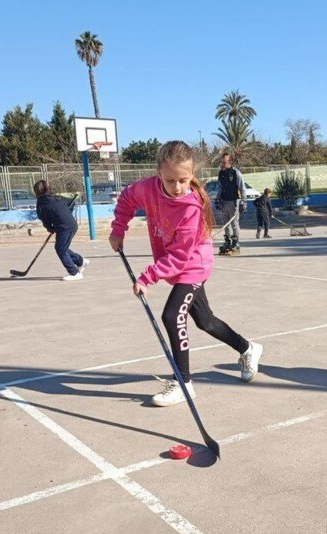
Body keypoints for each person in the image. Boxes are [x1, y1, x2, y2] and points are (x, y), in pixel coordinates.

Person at [109, 140, 263, 407]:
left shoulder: (191, 207)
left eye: (184, 179)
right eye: (170, 180)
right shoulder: (147, 189)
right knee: (207, 321)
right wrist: (118, 229)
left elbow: (180, 256)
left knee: (172, 315)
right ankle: (248, 348)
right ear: (159, 173)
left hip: (193, 265)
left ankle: (183, 383)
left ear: (192, 175)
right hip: (177, 264)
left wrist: (147, 278)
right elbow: (126, 199)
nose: (178, 187)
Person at [34, 180, 89, 281]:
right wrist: (67, 213)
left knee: (60, 249)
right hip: (70, 224)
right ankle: (80, 261)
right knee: (61, 247)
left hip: (64, 227)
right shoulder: (57, 197)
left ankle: (74, 273)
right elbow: (70, 203)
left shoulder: (41, 204)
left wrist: (50, 228)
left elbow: (44, 219)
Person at [214, 152, 246, 255]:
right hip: (224, 202)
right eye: (221, 162)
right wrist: (218, 198)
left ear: (230, 162)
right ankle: (227, 241)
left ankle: (236, 242)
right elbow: (220, 187)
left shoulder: (236, 173)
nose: (222, 164)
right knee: (226, 224)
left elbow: (242, 188)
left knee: (234, 224)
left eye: (224, 162)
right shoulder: (221, 173)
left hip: (234, 202)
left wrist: (243, 201)